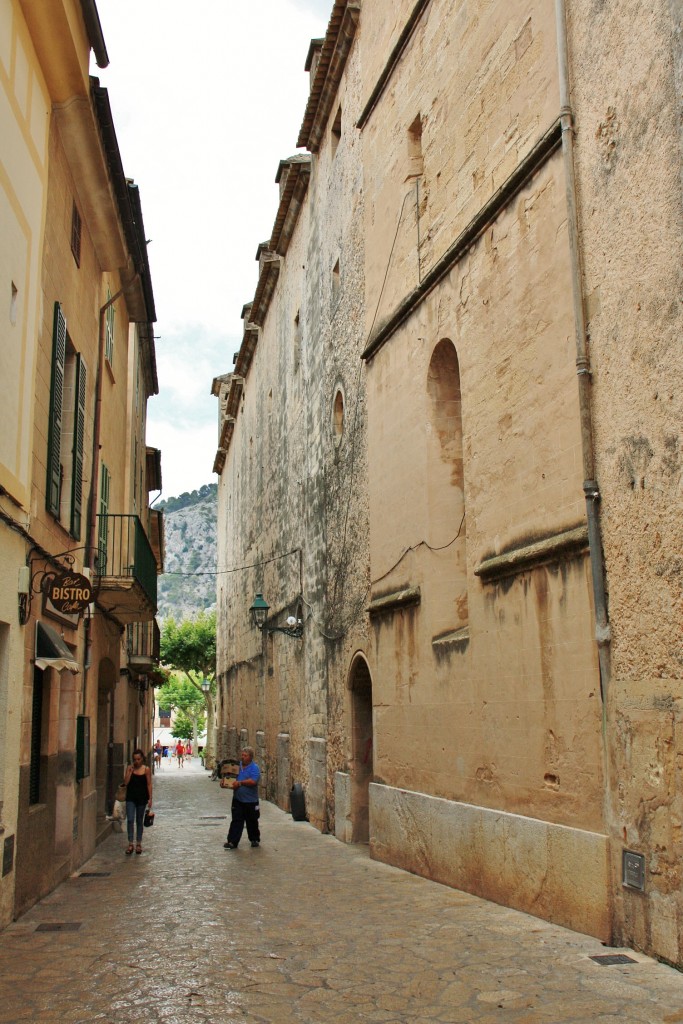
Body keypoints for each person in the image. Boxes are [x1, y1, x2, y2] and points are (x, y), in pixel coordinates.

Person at [222, 747, 261, 849]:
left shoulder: (254, 768)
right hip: (238, 800)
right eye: (242, 755)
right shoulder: (236, 766)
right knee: (236, 820)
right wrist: (225, 783)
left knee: (252, 821)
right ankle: (232, 842)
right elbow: (229, 777)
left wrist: (240, 783)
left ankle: (254, 839)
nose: (242, 757)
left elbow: (253, 781)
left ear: (250, 757)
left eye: (245, 756)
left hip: (251, 801)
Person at [123, 748, 152, 855]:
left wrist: (150, 798)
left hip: (142, 798)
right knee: (130, 819)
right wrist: (129, 773)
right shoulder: (129, 768)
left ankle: (138, 843)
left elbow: (149, 784)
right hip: (130, 797)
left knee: (139, 821)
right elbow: (125, 783)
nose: (136, 761)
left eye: (138, 759)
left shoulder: (146, 769)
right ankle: (130, 843)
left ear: (142, 759)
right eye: (135, 759)